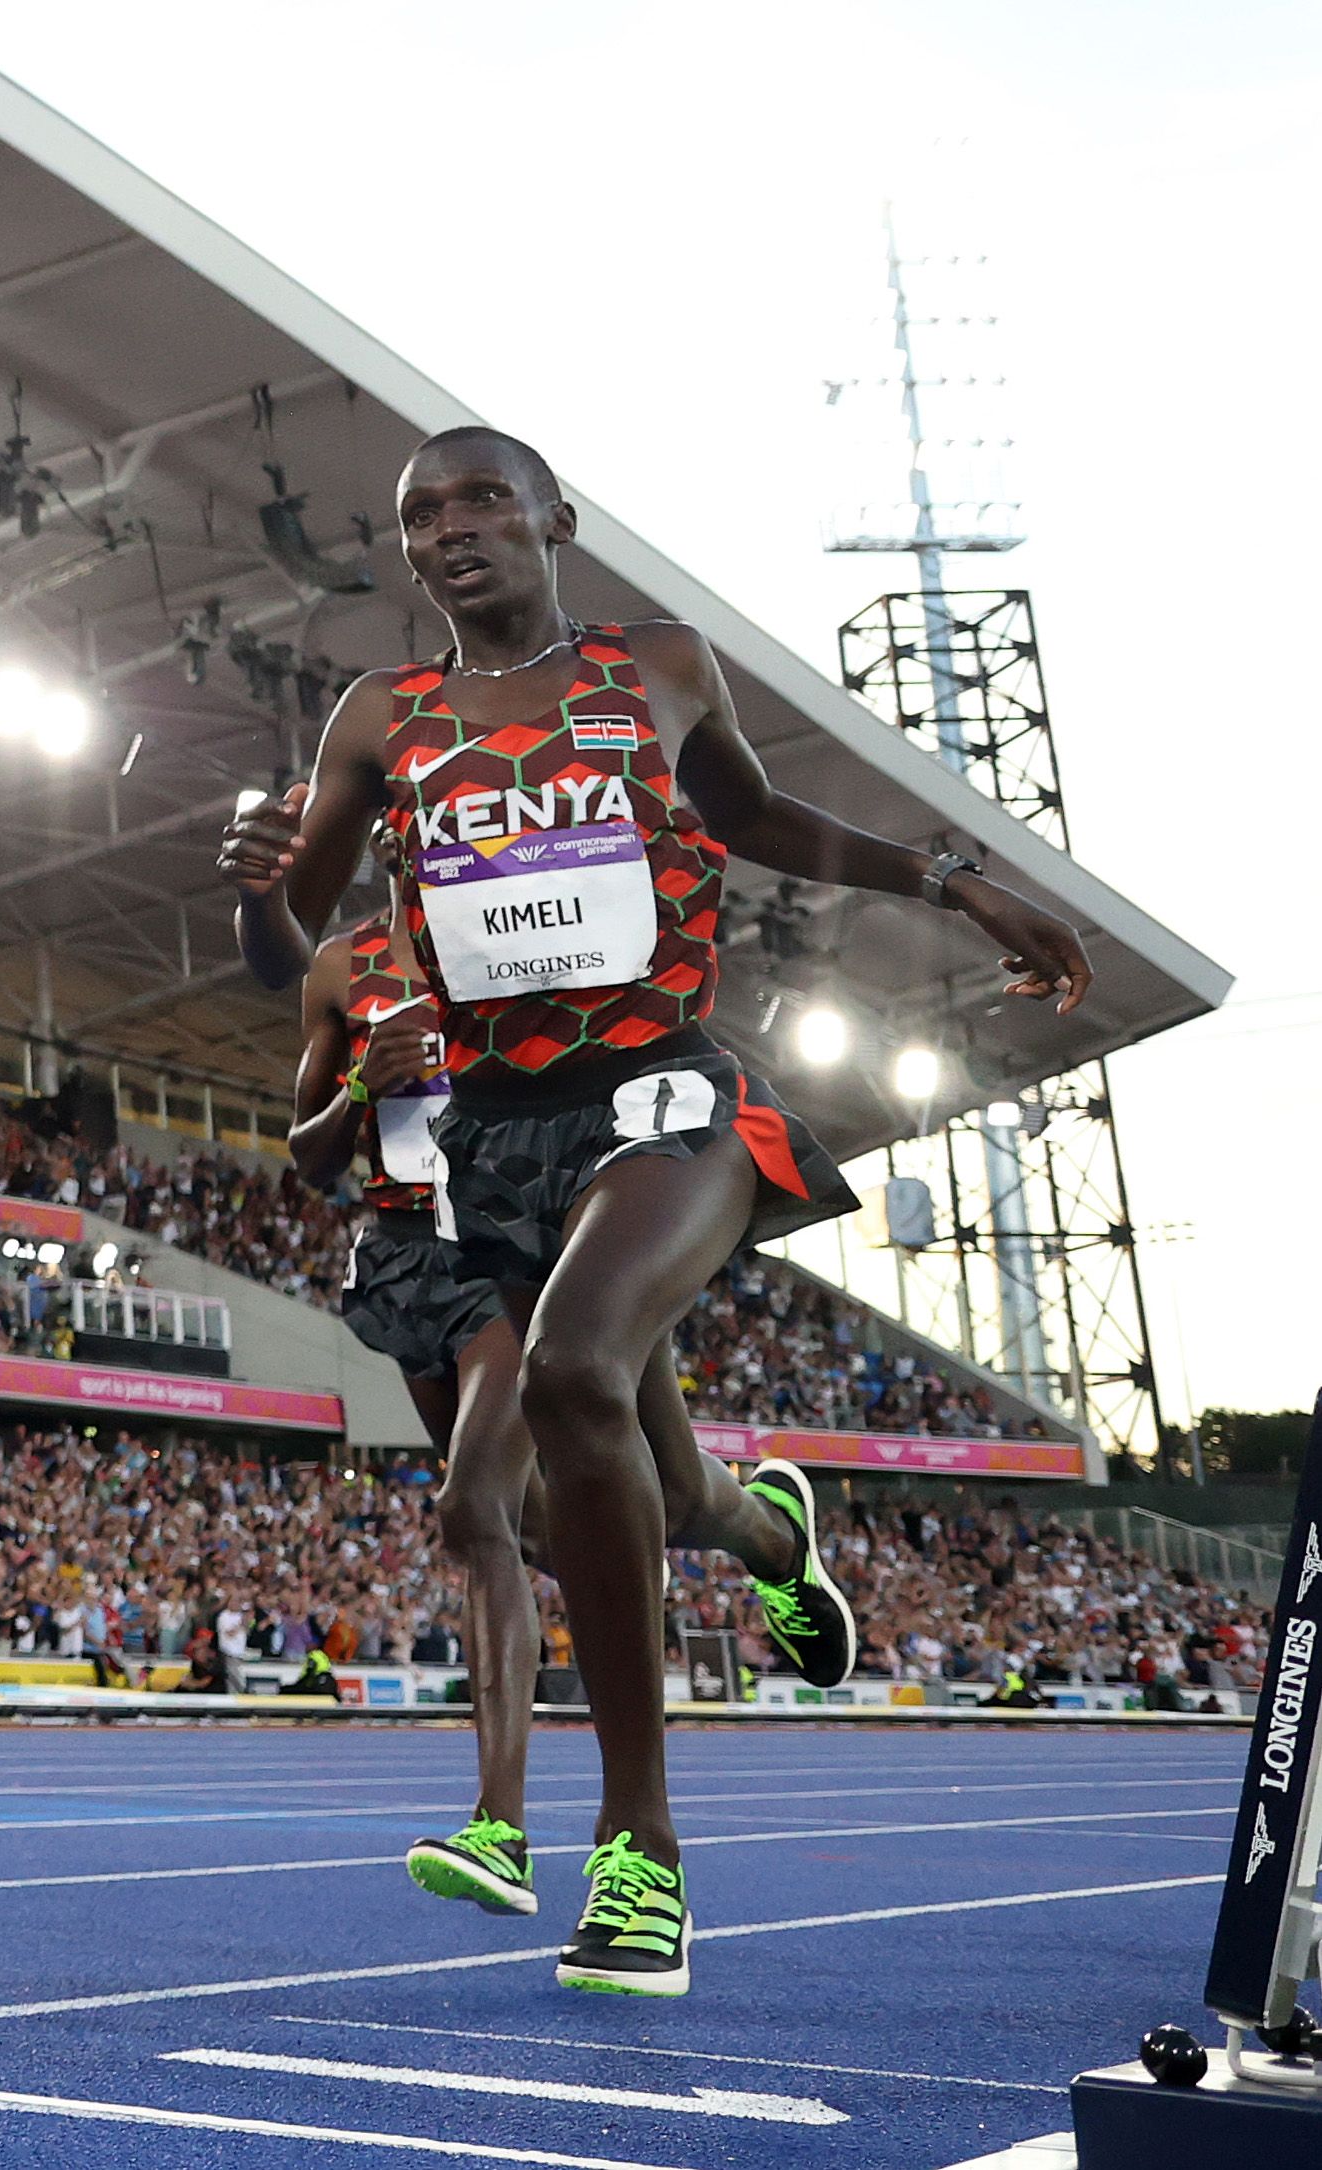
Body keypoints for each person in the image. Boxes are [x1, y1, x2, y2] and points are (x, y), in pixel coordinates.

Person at [220, 425, 1091, 1997]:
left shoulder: (659, 664)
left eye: (484, 499)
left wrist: (955, 877)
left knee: (569, 1378)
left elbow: (757, 822)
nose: (454, 528)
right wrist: (251, 884)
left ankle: (639, 1847)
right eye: (423, 514)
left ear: (556, 517)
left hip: (660, 1090)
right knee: (632, 1488)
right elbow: (293, 947)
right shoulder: (381, 715)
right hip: (493, 1139)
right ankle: (766, 1528)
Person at [287, 867, 786, 1924]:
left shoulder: (534, 928)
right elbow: (306, 1154)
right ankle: (762, 1532)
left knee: (470, 1507)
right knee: (552, 1527)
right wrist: (363, 1087)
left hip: (516, 1234)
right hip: (402, 1257)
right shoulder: (342, 968)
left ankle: (499, 1828)